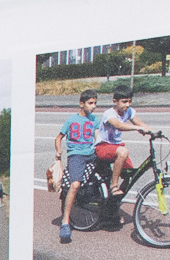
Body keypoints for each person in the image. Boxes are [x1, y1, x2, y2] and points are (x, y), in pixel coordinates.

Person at [49, 88, 149, 241]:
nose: (93, 106)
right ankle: (65, 222)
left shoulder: (95, 120)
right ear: (81, 104)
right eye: (90, 103)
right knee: (75, 185)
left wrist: (101, 149)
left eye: (95, 103)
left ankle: (110, 214)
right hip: (77, 156)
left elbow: (98, 136)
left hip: (92, 154)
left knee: (112, 179)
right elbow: (59, 137)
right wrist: (59, 151)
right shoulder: (71, 120)